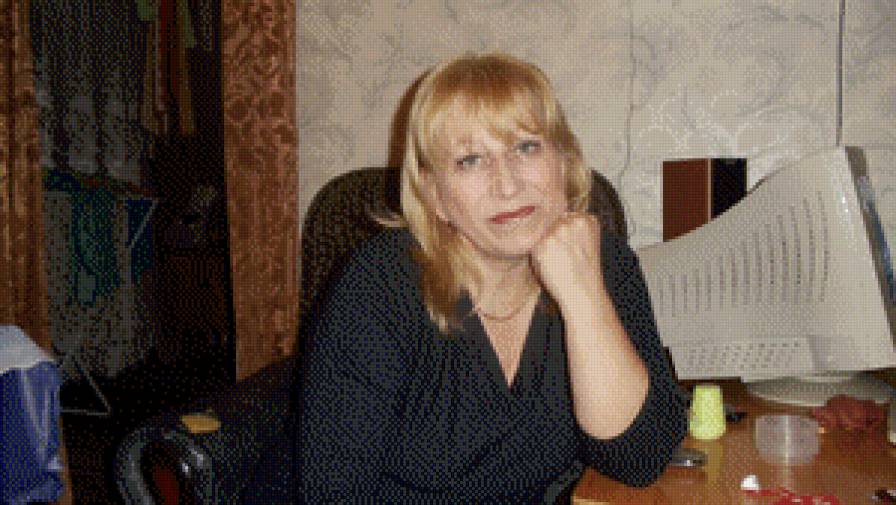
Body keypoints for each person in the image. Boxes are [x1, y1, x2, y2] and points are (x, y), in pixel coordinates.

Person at [294, 52, 687, 503]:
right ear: (435, 196)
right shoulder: (380, 283)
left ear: (564, 162)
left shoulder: (605, 264)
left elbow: (639, 459)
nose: (507, 185)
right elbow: (333, 492)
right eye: (470, 160)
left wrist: (583, 295)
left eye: (526, 147)